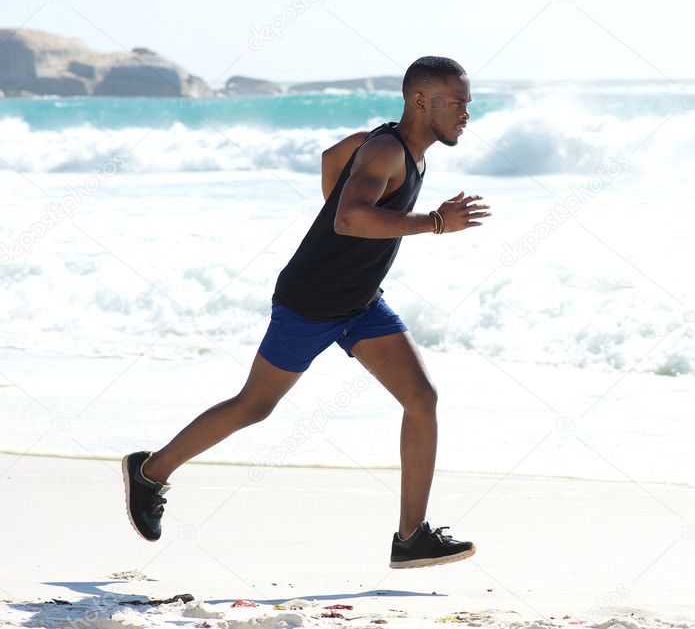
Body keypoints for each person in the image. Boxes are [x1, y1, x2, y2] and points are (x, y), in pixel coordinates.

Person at [122, 56, 490, 569]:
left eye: (468, 103)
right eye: (456, 102)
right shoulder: (386, 150)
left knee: (421, 399)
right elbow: (349, 216)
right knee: (254, 405)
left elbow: (330, 159)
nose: (465, 113)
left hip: (360, 302)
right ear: (419, 101)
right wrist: (433, 223)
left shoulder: (385, 144)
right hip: (310, 302)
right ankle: (150, 472)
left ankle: (411, 538)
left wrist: (347, 227)